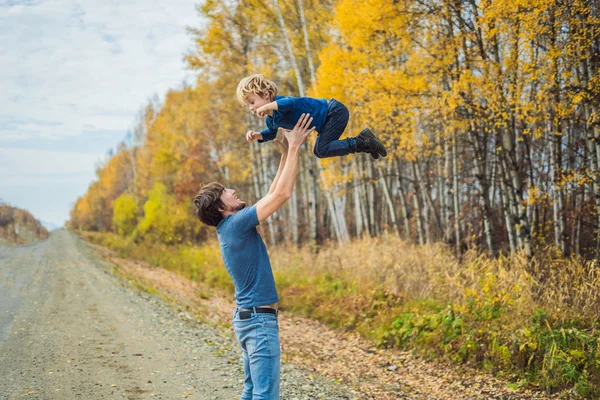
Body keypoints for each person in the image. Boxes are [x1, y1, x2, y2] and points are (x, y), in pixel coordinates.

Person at [193, 114, 315, 400]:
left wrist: (285, 150)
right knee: (264, 395)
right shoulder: (235, 223)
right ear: (222, 207)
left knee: (252, 392)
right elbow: (282, 194)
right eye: (226, 192)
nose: (233, 191)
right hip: (259, 322)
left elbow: (273, 193)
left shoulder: (230, 227)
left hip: (248, 319)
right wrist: (296, 146)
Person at [236, 73, 388, 160]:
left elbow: (290, 103)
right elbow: (270, 133)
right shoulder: (271, 120)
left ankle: (362, 141)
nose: (251, 108)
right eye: (248, 106)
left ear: (266, 94)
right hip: (326, 123)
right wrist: (257, 136)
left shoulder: (281, 102)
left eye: (252, 102)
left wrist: (267, 106)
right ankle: (365, 143)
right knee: (320, 151)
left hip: (333, 111)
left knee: (320, 150)